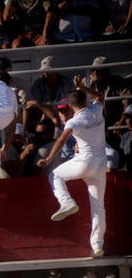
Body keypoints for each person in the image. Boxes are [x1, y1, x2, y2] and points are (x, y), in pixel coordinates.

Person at [37, 75, 107, 261]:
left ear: (70, 106)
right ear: (85, 100)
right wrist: (82, 86)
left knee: (55, 175)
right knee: (98, 207)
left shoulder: (73, 122)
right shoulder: (96, 110)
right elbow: (100, 96)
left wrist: (50, 158)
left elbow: (61, 139)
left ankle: (66, 201)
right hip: (100, 165)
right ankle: (97, 246)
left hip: (84, 162)